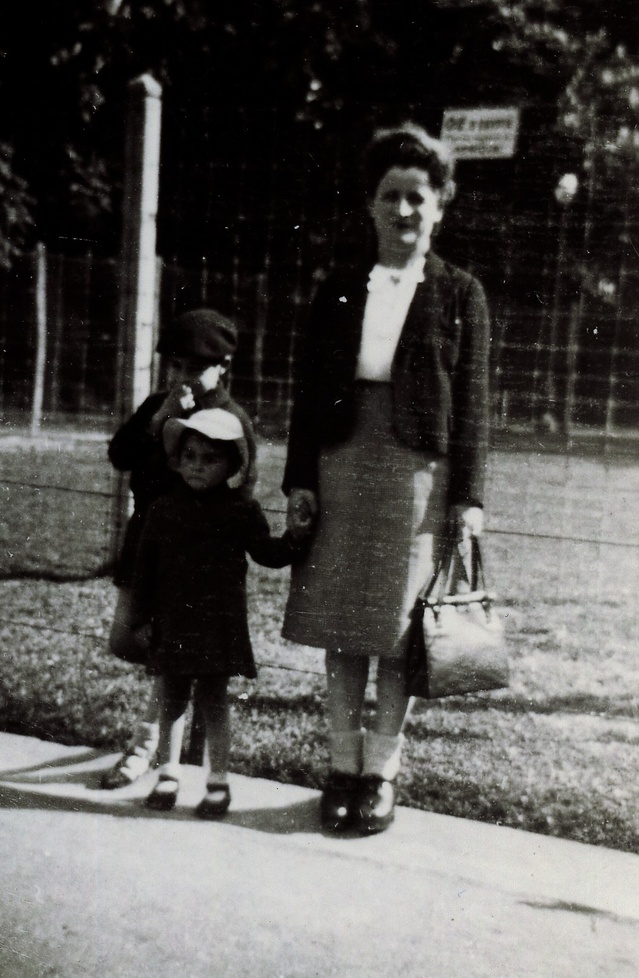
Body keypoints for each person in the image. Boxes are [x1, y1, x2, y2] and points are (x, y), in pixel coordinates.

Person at [282, 124, 490, 834]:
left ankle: (381, 774)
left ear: (442, 205)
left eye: (417, 198)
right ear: (371, 205)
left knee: (399, 632)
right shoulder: (338, 287)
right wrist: (300, 479)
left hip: (416, 481)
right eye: (390, 197)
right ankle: (341, 766)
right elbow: (308, 392)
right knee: (344, 627)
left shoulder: (462, 294)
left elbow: (475, 406)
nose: (403, 211)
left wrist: (470, 499)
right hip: (343, 465)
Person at [101, 308, 258, 790]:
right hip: (149, 545)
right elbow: (120, 457)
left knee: (175, 656)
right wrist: (160, 421)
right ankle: (160, 742)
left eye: (195, 367)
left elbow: (239, 489)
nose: (183, 376)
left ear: (223, 366)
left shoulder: (230, 421)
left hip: (197, 561)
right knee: (129, 639)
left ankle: (146, 747)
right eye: (175, 365)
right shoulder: (158, 405)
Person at [128, 408, 310, 816]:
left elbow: (268, 553)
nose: (196, 466)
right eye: (189, 455)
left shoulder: (241, 511)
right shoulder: (162, 510)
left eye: (210, 459)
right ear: (177, 459)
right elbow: (144, 570)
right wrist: (140, 619)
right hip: (172, 619)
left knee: (213, 699)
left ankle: (218, 781)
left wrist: (296, 538)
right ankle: (168, 774)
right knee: (172, 698)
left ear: (232, 465)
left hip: (218, 622)